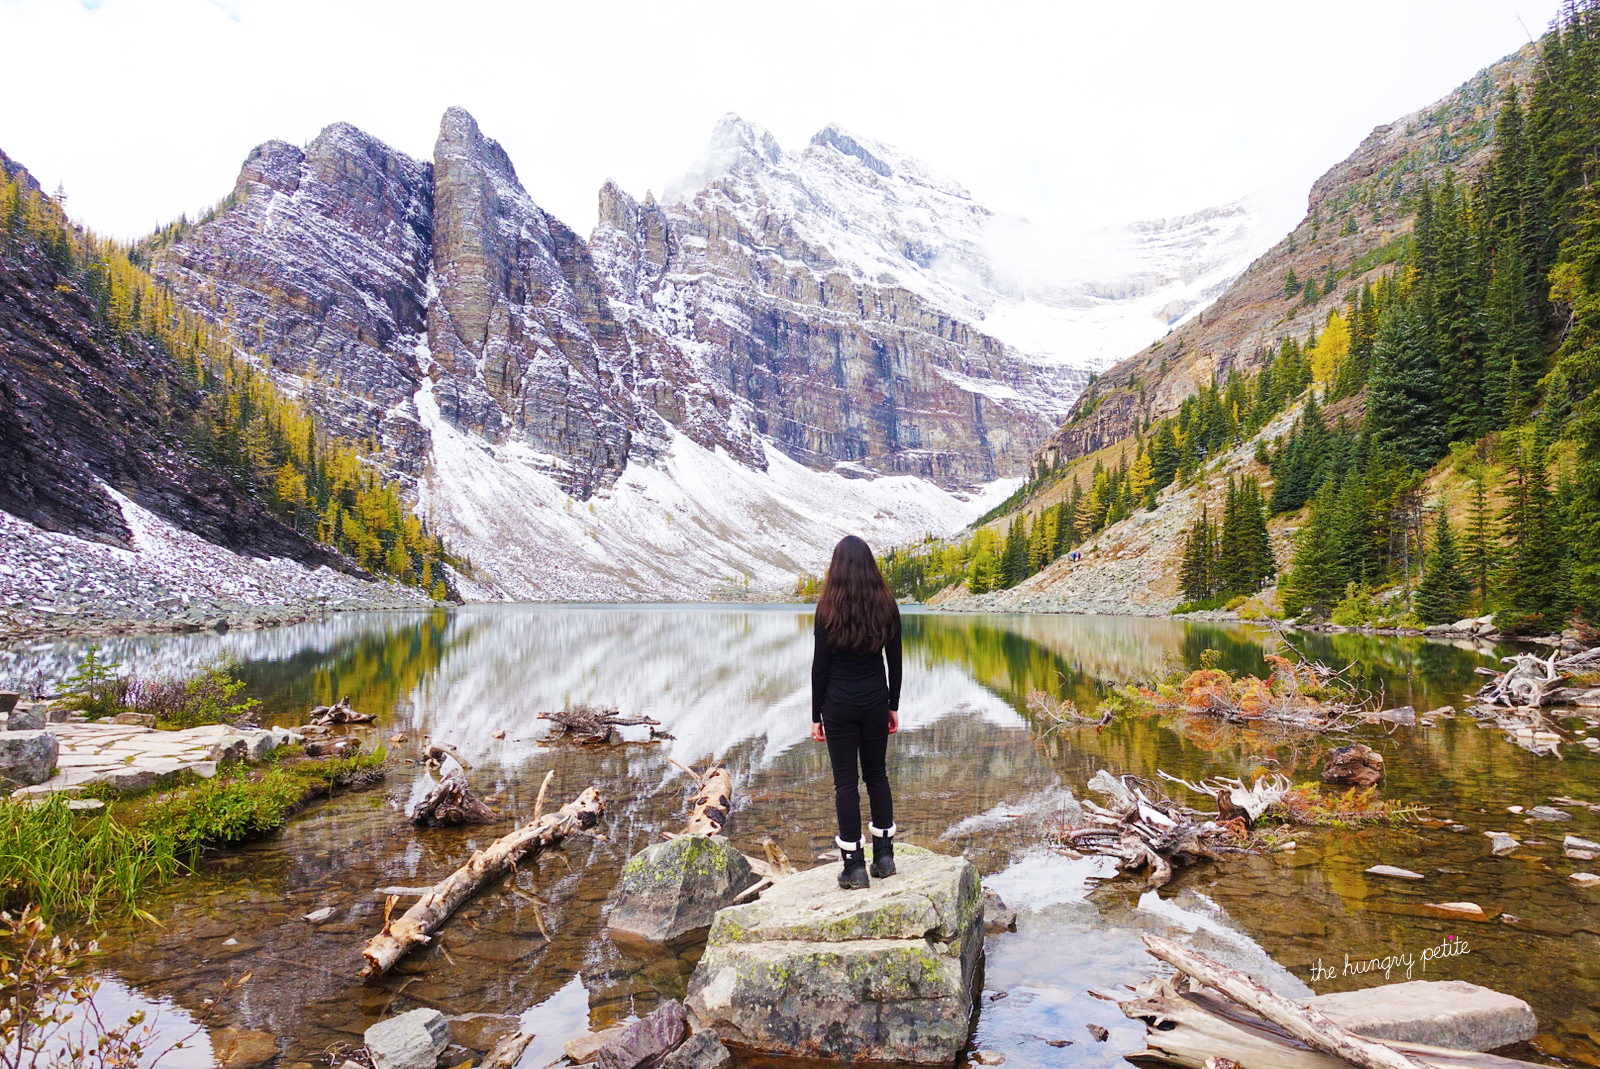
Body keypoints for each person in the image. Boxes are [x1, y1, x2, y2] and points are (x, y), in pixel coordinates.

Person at [810, 535, 901, 889]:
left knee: (845, 784)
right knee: (877, 776)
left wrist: (817, 713)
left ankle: (854, 867)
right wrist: (892, 706)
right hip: (876, 701)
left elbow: (820, 667)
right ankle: (885, 857)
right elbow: (896, 663)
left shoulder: (827, 609)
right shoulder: (886, 605)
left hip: (839, 705)